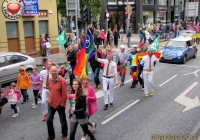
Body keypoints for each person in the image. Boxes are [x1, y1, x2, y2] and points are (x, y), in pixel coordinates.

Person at [46, 66, 68, 140]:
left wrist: (63, 104)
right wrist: (49, 99)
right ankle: (51, 136)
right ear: (50, 72)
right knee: (48, 120)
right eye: (52, 71)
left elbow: (65, 94)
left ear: (57, 71)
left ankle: (64, 135)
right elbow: (50, 90)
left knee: (62, 120)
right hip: (51, 103)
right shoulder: (49, 80)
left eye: (55, 71)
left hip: (60, 105)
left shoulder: (62, 81)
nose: (54, 72)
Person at [81, 75, 98, 140]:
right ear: (81, 81)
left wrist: (87, 98)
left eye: (87, 80)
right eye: (84, 80)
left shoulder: (90, 88)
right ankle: (92, 124)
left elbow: (94, 98)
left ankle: (85, 135)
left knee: (84, 122)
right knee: (82, 121)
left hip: (87, 108)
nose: (85, 81)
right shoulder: (80, 88)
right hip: (80, 108)